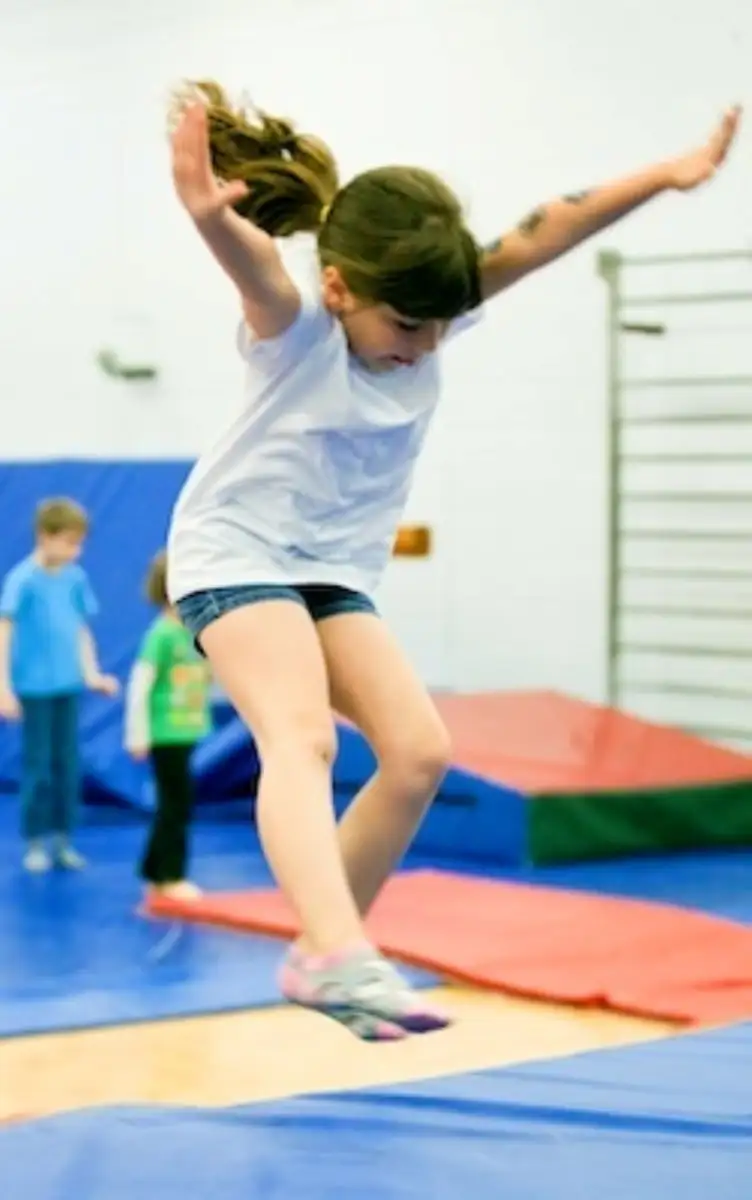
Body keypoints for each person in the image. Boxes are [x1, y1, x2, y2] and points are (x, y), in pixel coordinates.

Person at [166, 80, 740, 1040]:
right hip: (234, 550)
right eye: (406, 329)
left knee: (421, 751)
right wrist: (205, 218)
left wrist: (668, 176)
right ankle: (344, 950)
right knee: (300, 736)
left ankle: (319, 952)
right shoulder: (298, 328)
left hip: (332, 571)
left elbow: (547, 229)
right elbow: (256, 267)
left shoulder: (425, 311)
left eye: (439, 328)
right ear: (342, 289)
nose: (424, 348)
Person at [0, 498, 119, 871]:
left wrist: (91, 673)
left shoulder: (74, 578)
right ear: (44, 537)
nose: (74, 551)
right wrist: (3, 687)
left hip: (68, 685)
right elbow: (5, 631)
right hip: (34, 689)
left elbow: (80, 629)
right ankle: (36, 840)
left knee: (68, 764)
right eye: (68, 542)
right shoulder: (23, 580)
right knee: (38, 766)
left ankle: (64, 840)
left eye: (78, 543)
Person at [125, 550, 211, 901]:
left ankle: (153, 869)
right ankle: (170, 875)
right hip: (165, 734)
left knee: (175, 803)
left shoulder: (192, 634)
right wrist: (137, 733)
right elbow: (141, 685)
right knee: (176, 804)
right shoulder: (160, 635)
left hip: (186, 730)